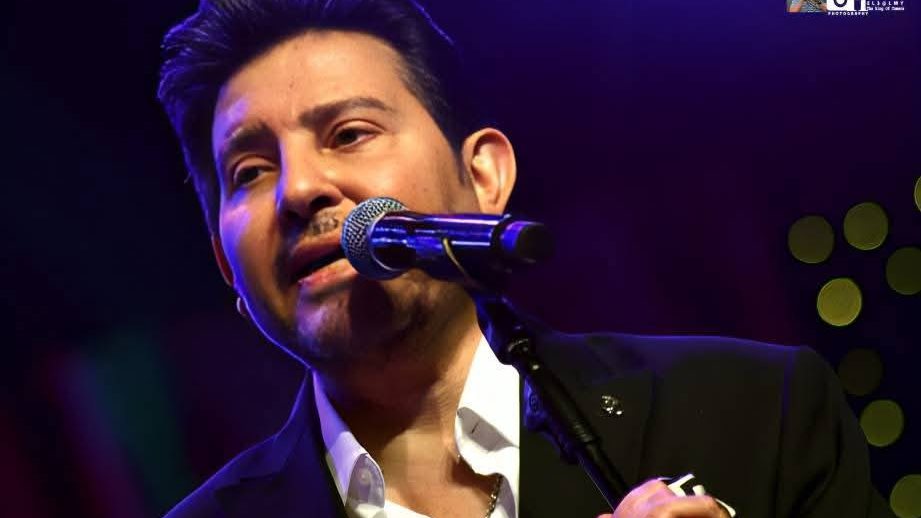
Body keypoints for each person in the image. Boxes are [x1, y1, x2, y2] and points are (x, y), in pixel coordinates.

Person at [157, 1, 892, 516]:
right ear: (226, 265)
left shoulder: (756, 411)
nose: (299, 189)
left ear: (483, 177)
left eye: (349, 134)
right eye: (250, 171)